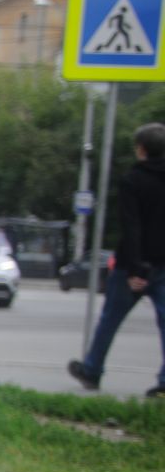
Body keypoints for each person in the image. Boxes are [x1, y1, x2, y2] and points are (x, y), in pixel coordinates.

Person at [66, 123, 165, 399]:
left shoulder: (133, 180)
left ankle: (92, 369)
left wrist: (136, 268)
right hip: (163, 265)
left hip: (132, 265)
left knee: (110, 318)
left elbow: (132, 226)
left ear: (141, 149)